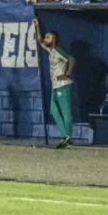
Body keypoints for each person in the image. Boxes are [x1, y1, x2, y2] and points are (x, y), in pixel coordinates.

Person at [34, 18, 76, 149]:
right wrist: (37, 26)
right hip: (55, 86)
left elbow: (72, 59)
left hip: (64, 85)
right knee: (53, 110)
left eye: (48, 37)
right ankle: (66, 135)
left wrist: (67, 73)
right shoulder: (51, 51)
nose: (46, 39)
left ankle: (67, 136)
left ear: (54, 39)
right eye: (46, 37)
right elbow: (40, 42)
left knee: (66, 112)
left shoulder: (58, 50)